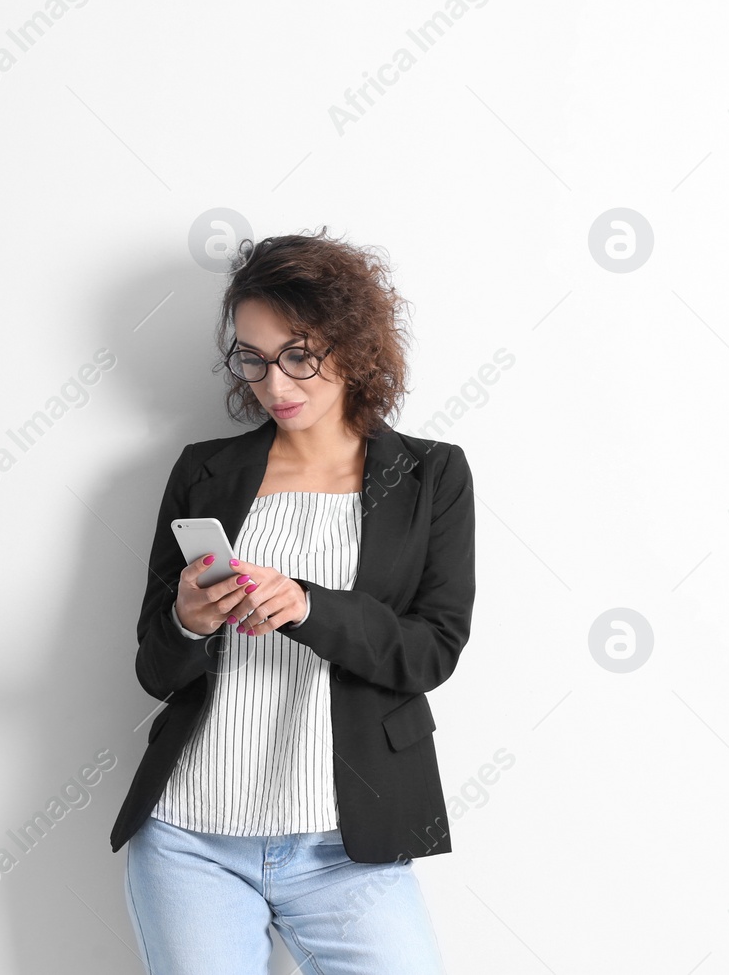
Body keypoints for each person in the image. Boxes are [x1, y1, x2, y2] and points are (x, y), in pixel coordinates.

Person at [108, 229, 476, 974]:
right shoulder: (202, 471)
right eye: (253, 358)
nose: (274, 384)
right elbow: (154, 666)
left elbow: (431, 649)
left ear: (354, 345)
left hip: (349, 844)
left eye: (298, 354)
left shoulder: (432, 475)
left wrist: (309, 606)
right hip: (191, 836)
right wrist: (188, 620)